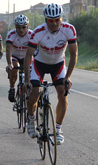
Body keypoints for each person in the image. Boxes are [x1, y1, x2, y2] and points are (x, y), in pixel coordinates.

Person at [23, 3, 78, 145]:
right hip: (39, 64)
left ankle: (58, 129)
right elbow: (28, 56)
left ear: (61, 18)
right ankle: (30, 119)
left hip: (58, 64)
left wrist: (68, 77)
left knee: (62, 92)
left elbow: (74, 54)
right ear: (46, 20)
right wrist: (27, 80)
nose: (54, 23)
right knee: (34, 93)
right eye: (50, 20)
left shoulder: (69, 29)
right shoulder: (38, 32)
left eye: (57, 20)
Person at [6, 14, 33, 102]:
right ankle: (12, 88)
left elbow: (37, 51)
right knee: (14, 68)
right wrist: (9, 64)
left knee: (31, 73)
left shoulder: (31, 35)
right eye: (18, 27)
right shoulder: (11, 34)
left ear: (27, 26)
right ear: (15, 27)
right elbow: (8, 51)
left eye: (23, 27)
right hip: (15, 56)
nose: (21, 29)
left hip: (27, 57)